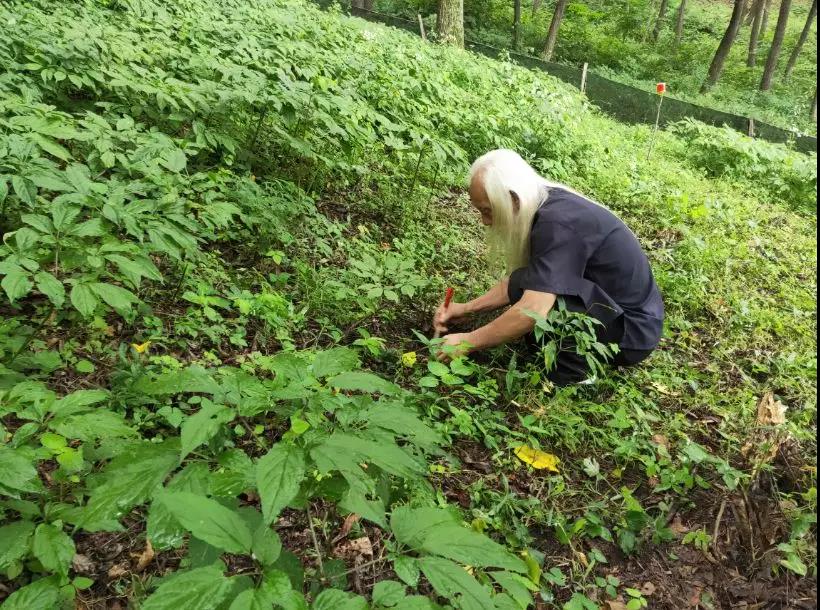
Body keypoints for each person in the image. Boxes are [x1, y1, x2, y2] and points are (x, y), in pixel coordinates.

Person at [432, 149, 664, 385]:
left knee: (541, 304)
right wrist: (465, 309)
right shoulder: (543, 204)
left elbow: (533, 308)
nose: (485, 221)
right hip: (613, 309)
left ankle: (575, 377)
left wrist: (469, 341)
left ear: (513, 199)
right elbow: (522, 281)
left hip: (632, 332)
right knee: (530, 280)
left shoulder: (558, 223)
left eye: (488, 211)